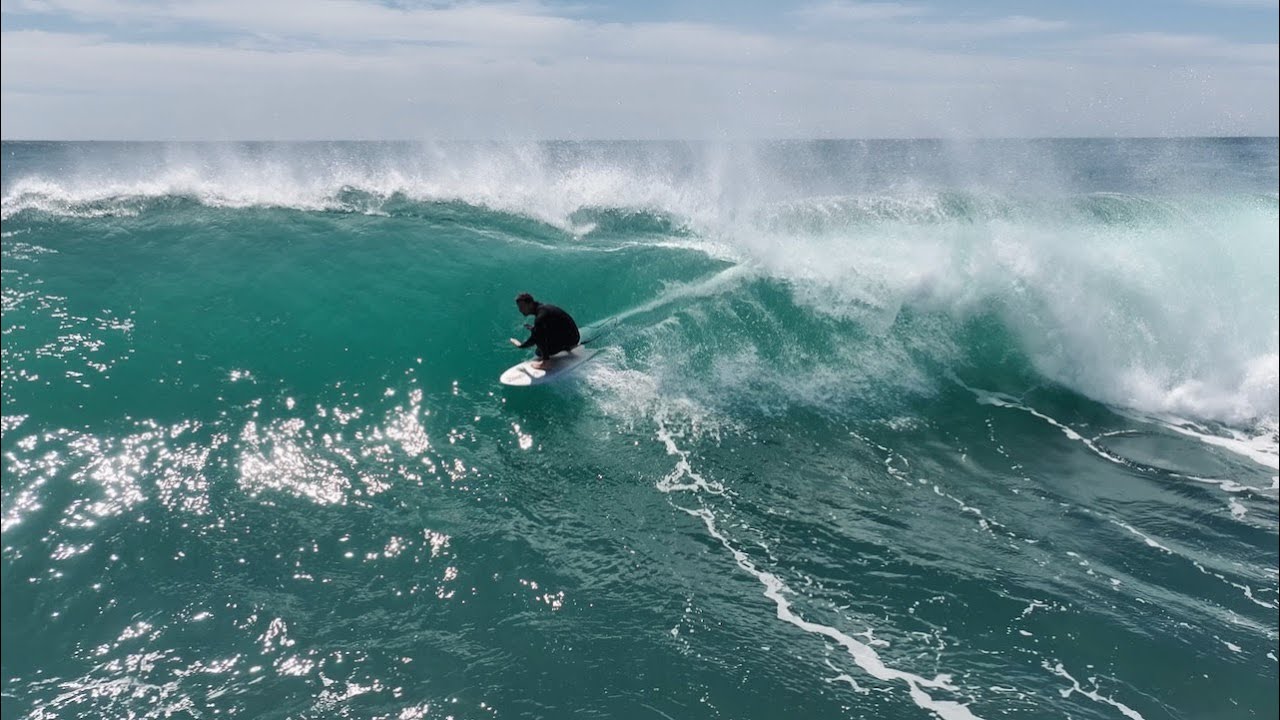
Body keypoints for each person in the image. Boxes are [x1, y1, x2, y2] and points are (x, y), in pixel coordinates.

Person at [510, 293, 581, 369]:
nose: (520, 310)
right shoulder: (543, 308)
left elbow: (534, 339)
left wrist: (521, 346)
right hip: (573, 336)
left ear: (530, 304)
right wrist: (535, 329)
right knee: (538, 331)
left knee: (539, 351)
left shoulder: (540, 317)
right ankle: (567, 346)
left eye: (522, 307)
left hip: (571, 340)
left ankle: (546, 362)